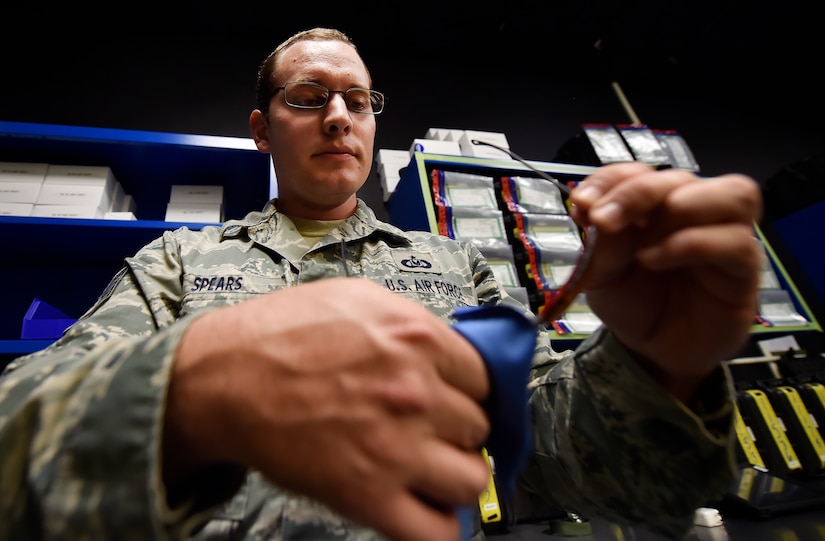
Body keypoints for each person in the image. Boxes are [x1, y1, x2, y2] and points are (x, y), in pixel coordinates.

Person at [0, 27, 762, 541]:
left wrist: (653, 365)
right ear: (262, 129)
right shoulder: (178, 261)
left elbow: (568, 460)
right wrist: (191, 388)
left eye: (358, 101)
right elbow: (15, 442)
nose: (339, 117)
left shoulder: (456, 266)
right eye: (308, 97)